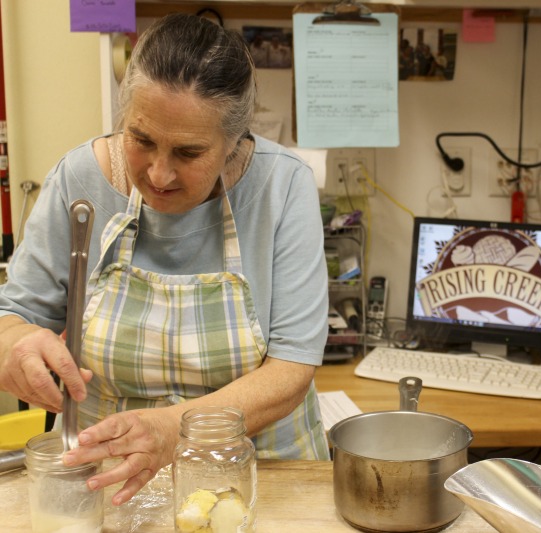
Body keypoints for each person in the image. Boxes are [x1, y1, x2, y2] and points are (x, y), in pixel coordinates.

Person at [0, 13, 329, 506]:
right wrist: (17, 346)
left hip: (264, 482)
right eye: (142, 139)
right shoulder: (78, 181)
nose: (158, 173)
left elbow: (291, 370)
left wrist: (173, 430)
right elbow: (14, 318)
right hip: (109, 483)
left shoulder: (282, 186)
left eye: (189, 152)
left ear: (234, 144)